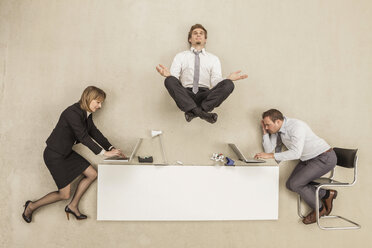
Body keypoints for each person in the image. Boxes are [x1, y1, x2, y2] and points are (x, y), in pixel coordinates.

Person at [22, 86, 124, 223]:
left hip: (66, 153)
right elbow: (83, 137)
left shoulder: (86, 113)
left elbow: (94, 132)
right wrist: (104, 153)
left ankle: (72, 206)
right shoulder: (72, 113)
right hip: (55, 155)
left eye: (101, 103)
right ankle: (31, 206)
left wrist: (112, 148)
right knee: (64, 194)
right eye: (98, 102)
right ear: (88, 98)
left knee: (92, 174)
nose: (100, 106)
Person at [254, 109, 338, 224]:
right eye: (265, 125)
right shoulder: (277, 130)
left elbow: (296, 153)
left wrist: (271, 156)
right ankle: (327, 194)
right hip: (308, 159)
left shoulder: (296, 126)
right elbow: (268, 149)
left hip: (324, 157)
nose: (267, 127)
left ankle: (320, 209)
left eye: (268, 124)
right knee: (290, 185)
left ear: (278, 121)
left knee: (296, 184)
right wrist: (264, 132)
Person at [156, 24, 248, 124]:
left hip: (205, 95)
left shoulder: (213, 59)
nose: (198, 35)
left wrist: (227, 79)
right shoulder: (180, 56)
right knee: (169, 80)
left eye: (201, 33)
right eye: (195, 33)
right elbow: (174, 78)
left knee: (229, 84)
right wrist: (169, 75)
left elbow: (215, 81)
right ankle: (203, 114)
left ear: (205, 39)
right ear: (190, 39)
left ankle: (194, 112)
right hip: (186, 94)